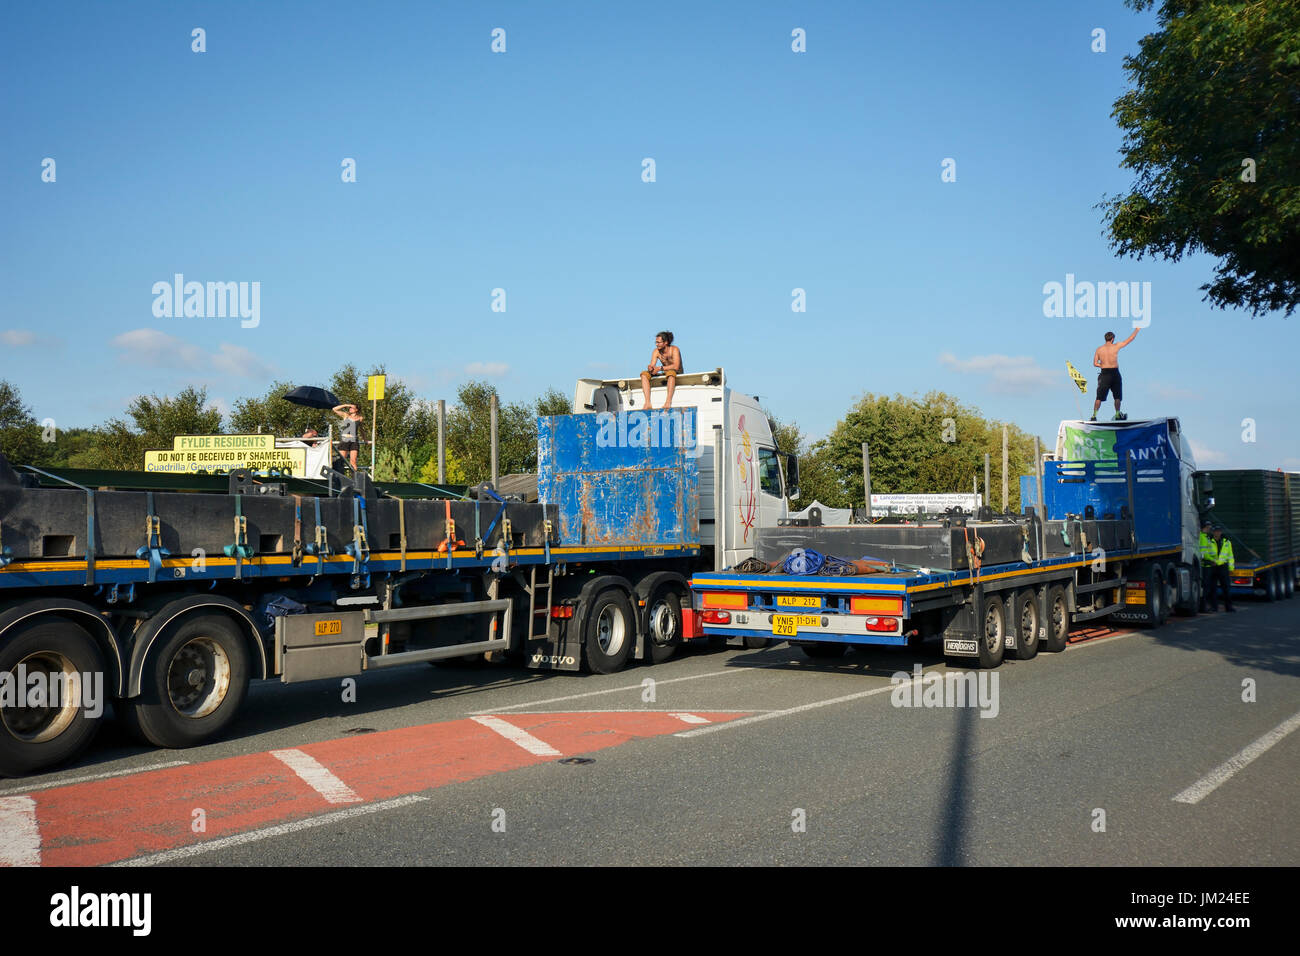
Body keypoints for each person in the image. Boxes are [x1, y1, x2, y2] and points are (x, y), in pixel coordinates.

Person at [1091, 328, 1138, 421]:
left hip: (1104, 373)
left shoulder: (1099, 349)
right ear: (1112, 339)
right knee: (1117, 396)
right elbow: (1129, 340)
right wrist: (1137, 329)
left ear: (1105, 339)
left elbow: (1095, 363)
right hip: (1114, 373)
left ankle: (1094, 415)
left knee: (1099, 397)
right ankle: (1117, 414)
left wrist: (1103, 365)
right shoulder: (1115, 346)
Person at [639, 331, 683, 409]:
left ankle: (668, 402)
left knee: (671, 373)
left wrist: (660, 368)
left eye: (658, 342)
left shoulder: (674, 349)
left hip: (676, 373)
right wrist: (651, 368)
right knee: (644, 374)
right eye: (656, 342)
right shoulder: (656, 351)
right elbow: (652, 364)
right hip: (664, 372)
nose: (656, 344)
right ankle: (647, 403)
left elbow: (676, 366)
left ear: (665, 342)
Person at [1204, 525, 1236, 613]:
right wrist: (1211, 561)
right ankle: (1214, 607)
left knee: (1226, 588)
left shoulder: (1227, 542)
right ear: (1212, 532)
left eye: (1218, 531)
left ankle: (1229, 607)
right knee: (1213, 588)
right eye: (1215, 531)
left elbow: (1230, 555)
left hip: (1223, 567)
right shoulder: (1208, 541)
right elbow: (1206, 553)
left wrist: (1231, 568)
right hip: (1213, 566)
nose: (1217, 533)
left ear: (1221, 532)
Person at [331, 403, 364, 470]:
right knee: (341, 460)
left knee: (353, 461)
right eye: (350, 408)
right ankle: (339, 477)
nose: (350, 409)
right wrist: (346, 405)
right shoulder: (346, 415)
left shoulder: (360, 418)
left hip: (354, 440)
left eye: (352, 408)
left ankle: (354, 478)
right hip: (345, 439)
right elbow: (334, 409)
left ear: (356, 410)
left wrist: (365, 439)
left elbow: (361, 430)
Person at [1198, 519, 1216, 612]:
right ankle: (1203, 607)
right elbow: (1203, 553)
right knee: (1205, 588)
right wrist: (1212, 560)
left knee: (1207, 588)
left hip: (1207, 565)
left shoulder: (1205, 537)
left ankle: (1204, 606)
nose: (1210, 528)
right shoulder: (1202, 537)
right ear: (1205, 527)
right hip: (1205, 565)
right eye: (1208, 527)